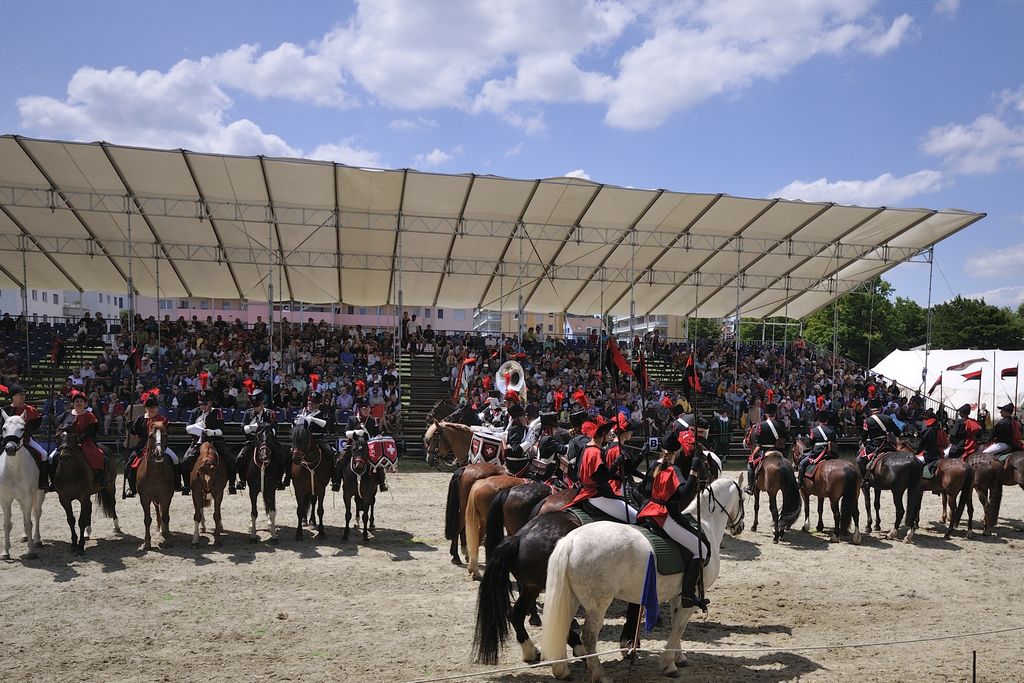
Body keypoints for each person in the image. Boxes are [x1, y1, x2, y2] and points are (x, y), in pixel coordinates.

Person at [637, 433, 710, 611]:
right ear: (678, 451)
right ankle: (687, 595)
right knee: (701, 548)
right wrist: (694, 471)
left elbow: (646, 489)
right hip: (664, 515)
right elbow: (684, 493)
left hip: (647, 511)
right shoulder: (673, 470)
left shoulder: (654, 465)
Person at [563, 419, 637, 523]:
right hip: (598, 494)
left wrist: (618, 476)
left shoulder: (585, 448)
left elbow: (586, 471)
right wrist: (616, 464)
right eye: (608, 434)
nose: (610, 436)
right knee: (636, 518)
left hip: (585, 490)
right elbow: (601, 478)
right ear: (603, 434)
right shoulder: (595, 452)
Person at [123, 389, 177, 498]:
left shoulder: (162, 419)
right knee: (129, 465)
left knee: (175, 460)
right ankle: (132, 489)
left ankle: (178, 484)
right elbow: (135, 432)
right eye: (149, 407)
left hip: (160, 445)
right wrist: (129, 427)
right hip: (142, 446)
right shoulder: (141, 419)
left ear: (157, 408)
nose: (151, 409)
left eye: (153, 407)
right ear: (145, 408)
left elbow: (166, 431)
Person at [183, 391, 237, 496]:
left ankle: (232, 484)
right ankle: (186, 486)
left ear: (210, 403)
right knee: (185, 461)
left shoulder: (217, 412)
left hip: (215, 441)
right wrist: (196, 425)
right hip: (198, 442)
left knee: (231, 460)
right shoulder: (195, 412)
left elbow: (221, 431)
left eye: (205, 404)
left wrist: (212, 432)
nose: (202, 406)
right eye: (201, 404)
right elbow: (187, 428)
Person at [52, 390, 107, 485]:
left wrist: (80, 439)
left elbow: (91, 430)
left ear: (85, 403)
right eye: (77, 401)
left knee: (98, 455)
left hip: (85, 441)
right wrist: (51, 416)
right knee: (53, 457)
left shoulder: (89, 415)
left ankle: (100, 477)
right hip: (67, 441)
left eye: (81, 401)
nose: (79, 403)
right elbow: (57, 423)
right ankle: (54, 480)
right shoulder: (67, 413)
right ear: (73, 403)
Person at [237, 390, 288, 490]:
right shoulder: (248, 413)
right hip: (252, 441)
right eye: (253, 405)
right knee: (240, 458)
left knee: (281, 457)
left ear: (261, 404)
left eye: (257, 405)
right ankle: (242, 480)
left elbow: (275, 429)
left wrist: (266, 429)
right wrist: (252, 427)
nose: (255, 407)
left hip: (268, 442)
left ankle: (279, 480)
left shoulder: (270, 413)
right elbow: (242, 428)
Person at [2, 384, 49, 490]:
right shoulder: (5, 410)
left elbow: (35, 426)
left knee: (44, 454)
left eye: (24, 394)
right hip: (6, 440)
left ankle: (43, 482)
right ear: (13, 396)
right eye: (20, 394)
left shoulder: (30, 410)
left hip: (26, 439)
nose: (23, 396)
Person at [744, 402, 789, 495]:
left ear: (766, 414)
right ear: (775, 414)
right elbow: (785, 437)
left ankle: (750, 486)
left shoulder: (761, 425)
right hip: (778, 450)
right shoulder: (780, 424)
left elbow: (757, 439)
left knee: (750, 464)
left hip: (764, 450)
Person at [858, 398, 901, 487]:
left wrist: (864, 442)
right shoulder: (888, 418)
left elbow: (864, 437)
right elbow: (898, 432)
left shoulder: (868, 421)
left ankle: (865, 480)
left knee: (859, 460)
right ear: (880, 407)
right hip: (889, 445)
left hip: (875, 446)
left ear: (870, 408)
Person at [797, 410, 837, 484]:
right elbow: (834, 441)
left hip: (817, 453)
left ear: (818, 420)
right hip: (830, 452)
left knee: (802, 463)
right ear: (827, 420)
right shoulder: (832, 430)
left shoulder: (814, 430)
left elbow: (810, 443)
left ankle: (800, 482)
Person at [502, 403, 531, 476]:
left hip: (520, 461)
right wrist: (528, 442)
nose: (526, 418)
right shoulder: (515, 429)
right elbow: (516, 450)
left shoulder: (522, 428)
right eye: (523, 416)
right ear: (518, 418)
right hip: (516, 464)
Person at [917, 409, 944, 476]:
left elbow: (922, 445)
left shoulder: (928, 431)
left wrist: (916, 452)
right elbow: (945, 444)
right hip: (940, 453)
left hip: (929, 455)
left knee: (915, 462)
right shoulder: (942, 432)